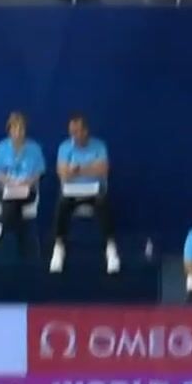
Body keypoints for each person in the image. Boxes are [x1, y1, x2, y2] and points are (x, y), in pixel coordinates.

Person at [50, 114, 120, 274]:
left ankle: (110, 248)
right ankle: (59, 247)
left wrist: (77, 169)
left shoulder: (99, 146)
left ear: (86, 131)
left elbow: (103, 170)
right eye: (71, 132)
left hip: (95, 190)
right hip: (71, 192)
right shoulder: (64, 147)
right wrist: (89, 168)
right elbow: (62, 174)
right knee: (62, 203)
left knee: (103, 203)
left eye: (77, 131)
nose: (74, 136)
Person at [0, 111, 46, 258]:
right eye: (15, 129)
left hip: (28, 190)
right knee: (12, 204)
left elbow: (38, 173)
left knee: (12, 205)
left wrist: (26, 182)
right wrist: (10, 181)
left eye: (22, 129)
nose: (19, 132)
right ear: (9, 130)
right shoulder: (1, 148)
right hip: (5, 189)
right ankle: (24, 245)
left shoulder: (35, 148)